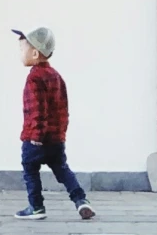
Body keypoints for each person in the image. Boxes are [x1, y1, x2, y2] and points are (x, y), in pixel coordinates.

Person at [12, 26, 97, 222]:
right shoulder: (56, 76)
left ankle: (36, 206)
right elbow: (63, 109)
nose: (20, 54)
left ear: (34, 53)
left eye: (21, 49)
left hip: (36, 138)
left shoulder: (34, 77)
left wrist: (36, 138)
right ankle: (81, 200)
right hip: (56, 139)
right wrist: (60, 135)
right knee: (62, 169)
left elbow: (37, 110)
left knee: (30, 170)